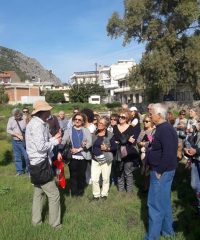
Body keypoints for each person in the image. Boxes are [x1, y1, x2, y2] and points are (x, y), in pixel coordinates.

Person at [25, 100, 62, 229]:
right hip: (40, 164)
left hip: (36, 163)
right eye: (48, 110)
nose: (50, 112)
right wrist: (55, 142)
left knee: (38, 192)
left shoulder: (37, 124)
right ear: (43, 112)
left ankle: (36, 222)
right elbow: (41, 147)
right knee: (54, 194)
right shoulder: (37, 125)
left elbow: (42, 142)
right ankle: (55, 224)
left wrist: (53, 138)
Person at [145, 103, 178, 240]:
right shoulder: (162, 128)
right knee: (163, 203)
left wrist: (159, 170)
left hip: (161, 172)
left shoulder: (164, 129)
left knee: (154, 205)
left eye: (151, 113)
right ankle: (168, 232)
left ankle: (152, 237)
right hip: (163, 171)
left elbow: (169, 153)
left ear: (159, 115)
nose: (149, 115)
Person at [61, 112, 92, 197]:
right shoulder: (69, 130)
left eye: (79, 120)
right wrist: (63, 144)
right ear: (73, 120)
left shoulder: (86, 130)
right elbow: (64, 141)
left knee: (81, 176)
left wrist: (79, 149)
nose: (77, 121)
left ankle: (80, 193)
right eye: (76, 119)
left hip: (83, 156)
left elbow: (89, 143)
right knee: (73, 176)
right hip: (72, 156)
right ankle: (74, 194)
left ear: (82, 121)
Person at [113, 110, 140, 193]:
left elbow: (133, 141)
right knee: (119, 171)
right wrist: (126, 139)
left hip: (128, 152)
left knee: (128, 172)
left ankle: (129, 191)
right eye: (119, 117)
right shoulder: (115, 127)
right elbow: (114, 140)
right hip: (118, 152)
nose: (120, 118)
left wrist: (123, 140)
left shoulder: (131, 128)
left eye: (123, 117)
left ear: (127, 118)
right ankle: (120, 190)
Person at [91, 117, 117, 200]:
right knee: (94, 179)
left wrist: (107, 149)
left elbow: (115, 147)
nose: (99, 124)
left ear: (106, 125)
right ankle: (96, 195)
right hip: (95, 159)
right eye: (99, 122)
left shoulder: (110, 135)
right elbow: (90, 144)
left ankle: (104, 194)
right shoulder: (94, 133)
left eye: (102, 123)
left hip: (106, 159)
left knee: (105, 178)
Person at [7, 108, 29, 175]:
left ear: (21, 114)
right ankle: (19, 171)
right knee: (17, 157)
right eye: (16, 116)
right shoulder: (11, 119)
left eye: (19, 116)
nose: (18, 117)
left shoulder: (25, 118)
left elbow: (29, 128)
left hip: (24, 141)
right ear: (14, 115)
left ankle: (29, 171)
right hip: (15, 141)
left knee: (27, 157)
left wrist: (25, 135)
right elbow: (8, 130)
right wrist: (16, 135)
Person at [184, 121, 200, 216]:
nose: (198, 124)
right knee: (194, 185)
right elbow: (191, 143)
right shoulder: (196, 132)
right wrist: (188, 149)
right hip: (195, 160)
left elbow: (197, 149)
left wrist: (196, 151)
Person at [137, 115, 155, 192]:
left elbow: (152, 142)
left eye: (147, 121)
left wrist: (145, 144)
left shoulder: (153, 131)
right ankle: (145, 186)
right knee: (143, 170)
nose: (145, 123)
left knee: (148, 170)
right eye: (144, 121)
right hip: (142, 153)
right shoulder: (142, 131)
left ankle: (149, 187)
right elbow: (138, 140)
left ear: (151, 122)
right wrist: (140, 143)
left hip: (150, 153)